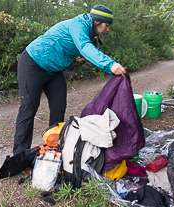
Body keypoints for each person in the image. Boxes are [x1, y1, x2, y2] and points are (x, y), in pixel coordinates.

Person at [13, 5, 126, 155]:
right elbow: (85, 48)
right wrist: (111, 64)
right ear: (97, 22)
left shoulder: (90, 32)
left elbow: (93, 53)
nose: (108, 30)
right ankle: (19, 154)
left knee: (58, 107)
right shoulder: (77, 25)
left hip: (54, 70)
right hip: (32, 63)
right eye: (107, 26)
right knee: (29, 108)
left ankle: (54, 148)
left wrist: (112, 71)